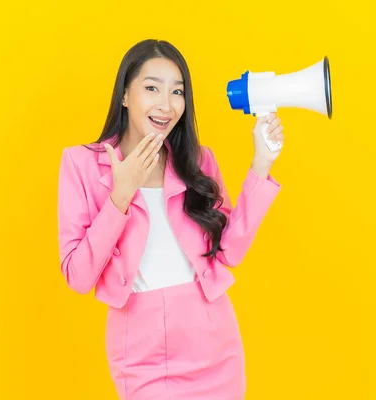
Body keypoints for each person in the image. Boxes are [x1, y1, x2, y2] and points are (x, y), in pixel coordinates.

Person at [57, 39, 284, 400]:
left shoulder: (197, 160)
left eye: (177, 91)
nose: (166, 104)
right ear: (125, 95)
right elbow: (78, 276)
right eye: (151, 88)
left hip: (213, 342)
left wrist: (262, 164)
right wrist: (121, 195)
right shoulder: (80, 164)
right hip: (140, 351)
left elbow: (230, 252)